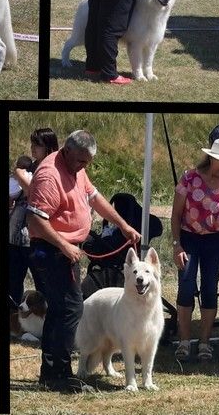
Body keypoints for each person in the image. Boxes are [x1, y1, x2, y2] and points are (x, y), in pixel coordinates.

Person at [26, 130, 141, 391]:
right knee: (69, 310)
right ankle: (59, 375)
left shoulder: (77, 169)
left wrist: (122, 225)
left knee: (63, 310)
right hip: (50, 251)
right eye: (80, 161)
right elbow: (35, 219)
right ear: (66, 151)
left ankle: (53, 372)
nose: (83, 167)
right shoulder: (49, 176)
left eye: (87, 163)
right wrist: (64, 244)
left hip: (65, 250)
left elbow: (94, 198)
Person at [171, 138, 219, 362]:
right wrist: (177, 244)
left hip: (216, 241)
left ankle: (205, 342)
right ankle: (184, 342)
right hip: (189, 238)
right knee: (185, 285)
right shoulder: (189, 178)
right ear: (212, 158)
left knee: (210, 289)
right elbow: (175, 215)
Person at [9, 128, 59, 308]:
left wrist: (21, 177)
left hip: (37, 239)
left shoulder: (53, 170)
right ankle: (14, 322)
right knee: (12, 284)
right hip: (15, 236)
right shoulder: (28, 167)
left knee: (43, 286)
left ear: (49, 147)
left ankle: (44, 323)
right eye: (32, 144)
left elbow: (37, 194)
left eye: (37, 145)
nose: (32, 148)